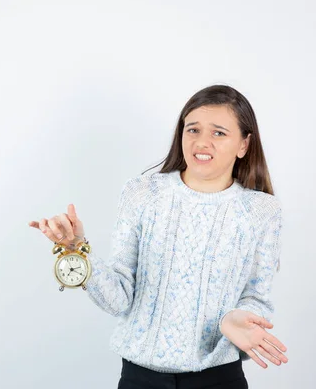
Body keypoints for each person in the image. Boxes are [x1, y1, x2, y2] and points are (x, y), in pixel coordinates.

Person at [28, 84, 288, 388]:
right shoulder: (142, 193)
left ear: (243, 145)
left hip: (219, 378)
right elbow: (119, 301)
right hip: (141, 378)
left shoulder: (261, 211)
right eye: (193, 130)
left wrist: (234, 319)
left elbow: (257, 296)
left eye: (219, 133)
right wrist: (76, 249)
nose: (202, 142)